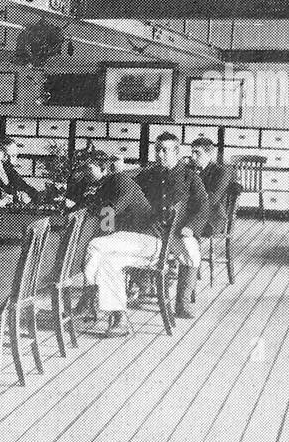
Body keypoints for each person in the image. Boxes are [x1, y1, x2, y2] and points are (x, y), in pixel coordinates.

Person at [82, 133, 206, 335]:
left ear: (177, 152)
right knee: (108, 261)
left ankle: (181, 302)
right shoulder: (149, 174)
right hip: (146, 235)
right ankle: (117, 317)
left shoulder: (189, 177)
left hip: (166, 236)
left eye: (165, 150)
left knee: (96, 245)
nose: (160, 154)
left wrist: (191, 227)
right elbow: (129, 189)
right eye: (157, 149)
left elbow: (202, 206)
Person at [185, 137, 239, 306]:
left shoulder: (221, 172)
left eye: (197, 153)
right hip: (194, 215)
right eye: (192, 152)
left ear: (210, 154)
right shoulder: (191, 169)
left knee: (181, 232)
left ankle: (186, 288)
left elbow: (211, 200)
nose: (193, 157)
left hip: (213, 219)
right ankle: (172, 269)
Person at [0, 138, 40, 208]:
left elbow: (27, 189)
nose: (11, 161)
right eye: (6, 156)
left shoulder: (10, 171)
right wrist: (18, 196)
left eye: (13, 156)